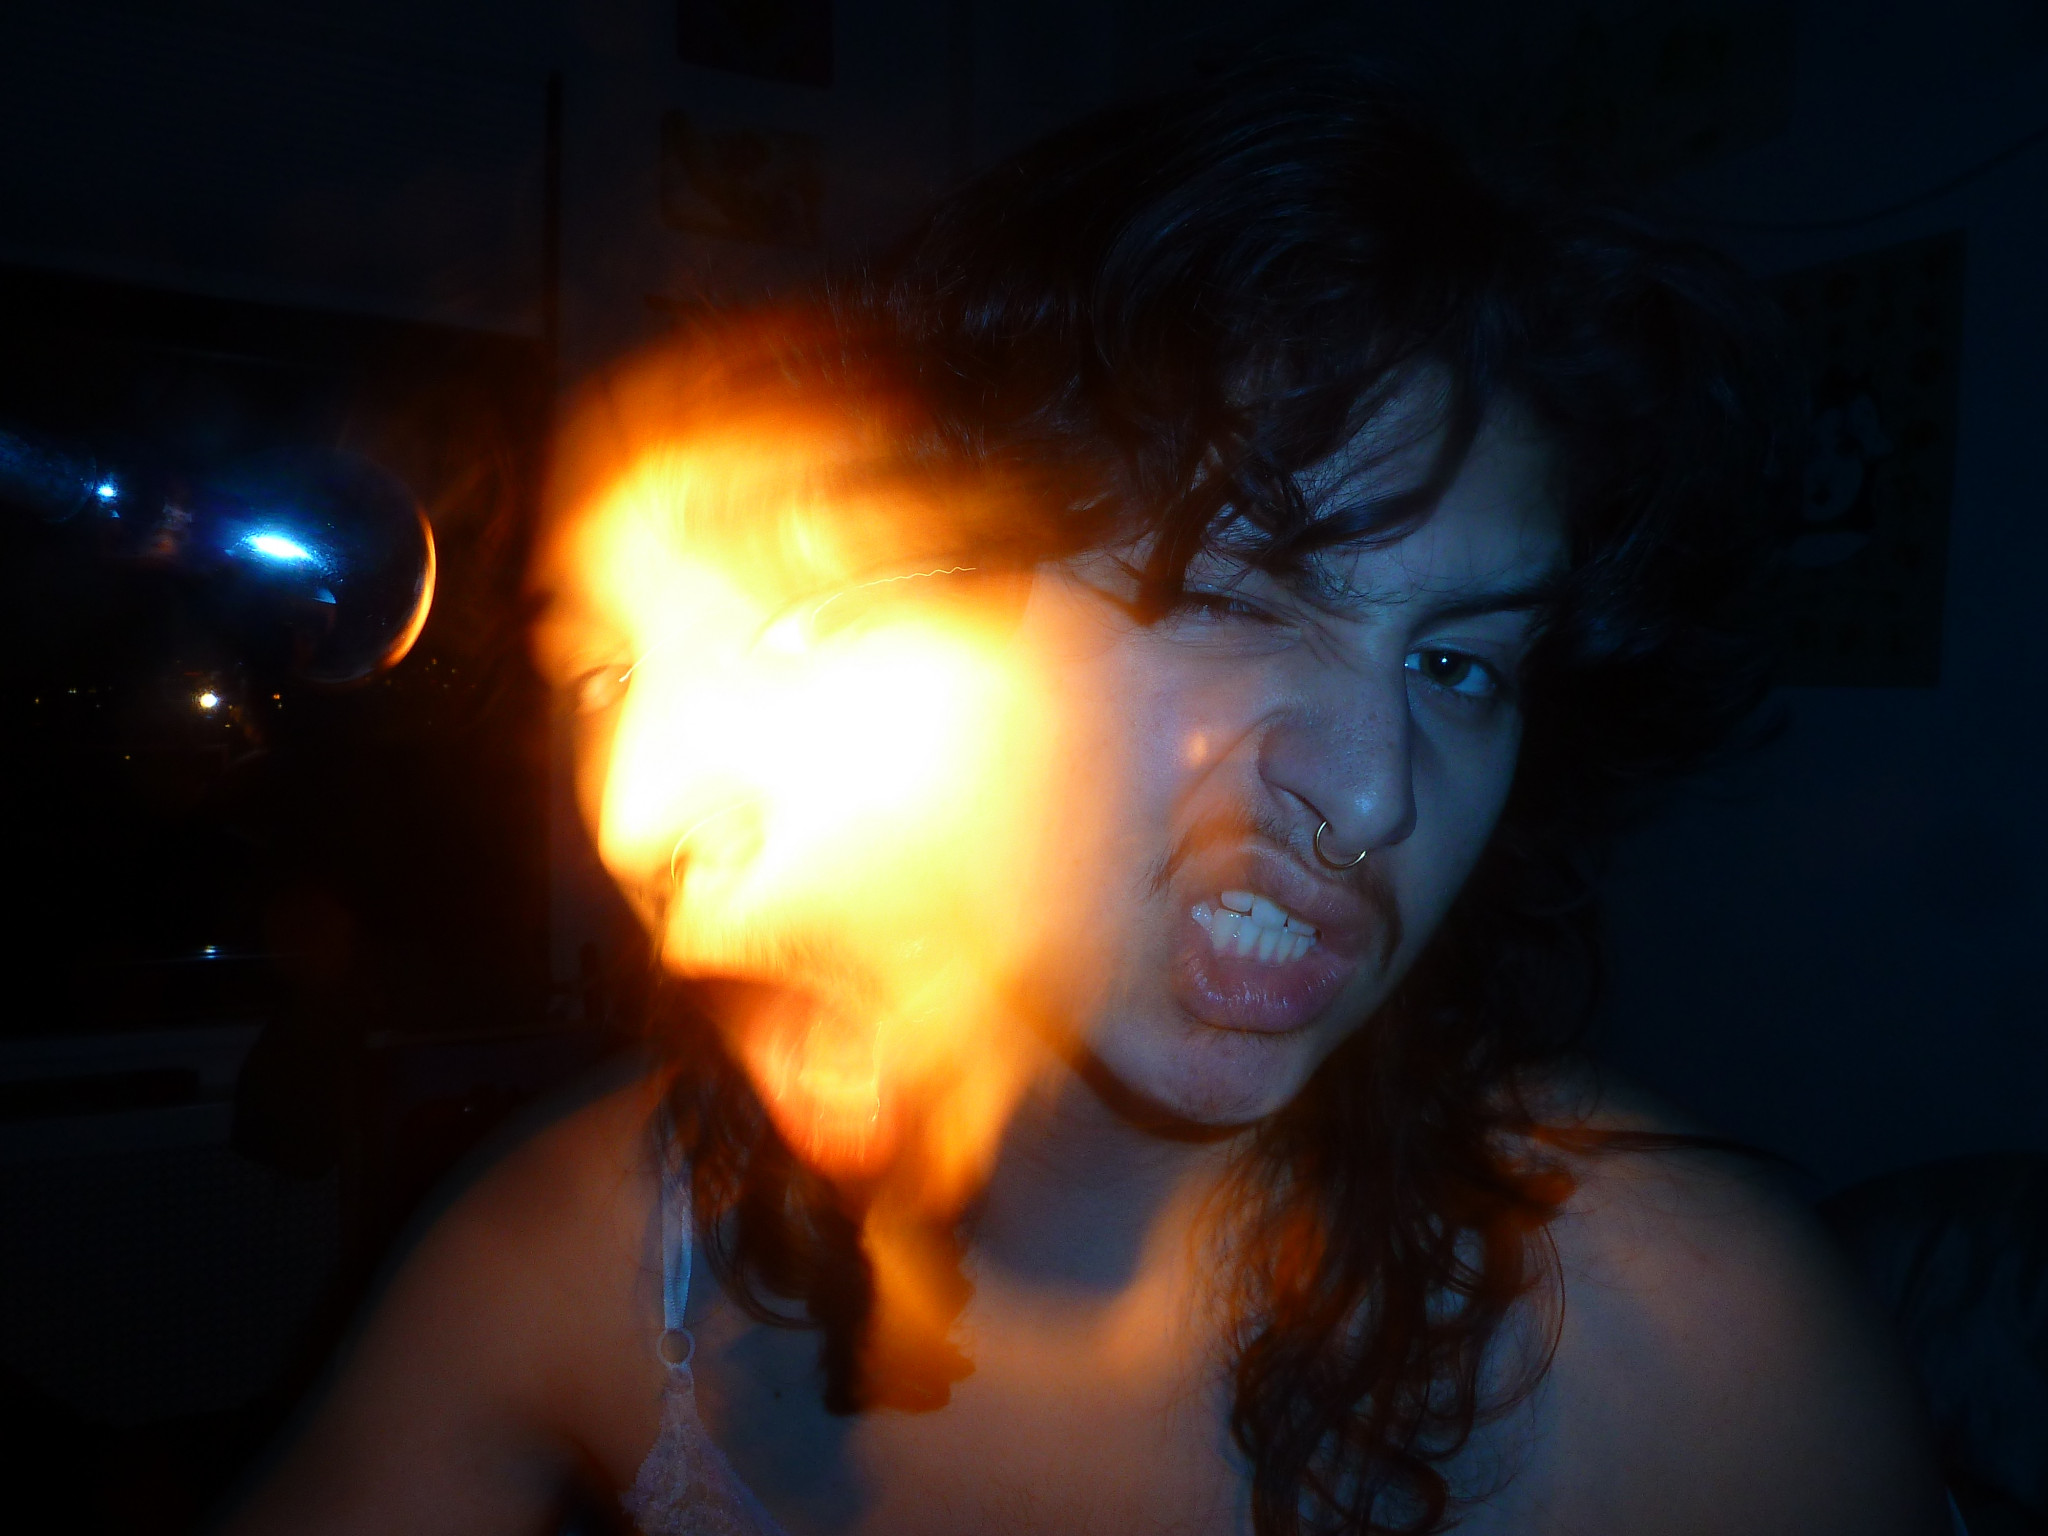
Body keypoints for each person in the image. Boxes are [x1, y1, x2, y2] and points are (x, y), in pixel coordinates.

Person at [218, 63, 1955, 1536]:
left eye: (1457, 663)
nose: (1373, 793)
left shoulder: (1689, 1350)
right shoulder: (589, 1257)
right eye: (1237, 590)